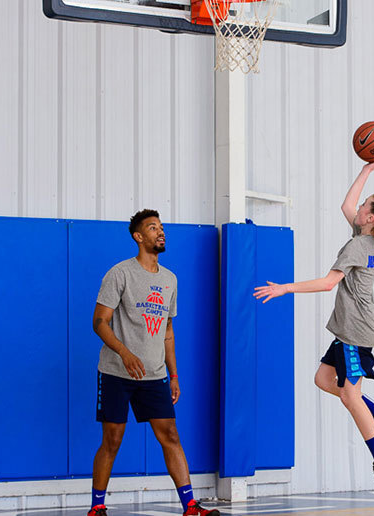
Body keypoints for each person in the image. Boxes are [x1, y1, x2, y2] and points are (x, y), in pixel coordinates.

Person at [254, 157, 374, 495]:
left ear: (370, 218)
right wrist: (367, 170)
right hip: (348, 328)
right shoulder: (369, 239)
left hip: (355, 330)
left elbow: (330, 283)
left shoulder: (358, 244)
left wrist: (284, 288)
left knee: (349, 395)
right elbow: (346, 204)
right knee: (323, 380)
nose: (357, 207)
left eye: (364, 206)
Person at [88, 209, 219, 516]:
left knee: (171, 435)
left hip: (155, 374)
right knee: (112, 440)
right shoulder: (119, 273)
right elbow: (99, 322)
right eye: (152, 228)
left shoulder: (170, 279)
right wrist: (125, 352)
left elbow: (167, 332)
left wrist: (173, 375)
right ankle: (97, 508)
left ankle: (190, 505)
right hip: (116, 373)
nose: (160, 232)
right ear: (138, 236)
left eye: (161, 228)